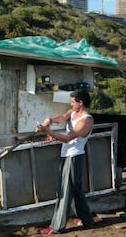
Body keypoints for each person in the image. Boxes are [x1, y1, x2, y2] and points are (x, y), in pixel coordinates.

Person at [37, 89, 95, 234]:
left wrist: (47, 131)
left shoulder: (86, 121)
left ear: (80, 103)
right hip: (67, 155)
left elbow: (68, 138)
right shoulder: (74, 112)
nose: (71, 104)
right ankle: (87, 220)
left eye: (73, 102)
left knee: (64, 191)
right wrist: (50, 120)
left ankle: (56, 226)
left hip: (74, 157)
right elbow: (63, 117)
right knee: (76, 191)